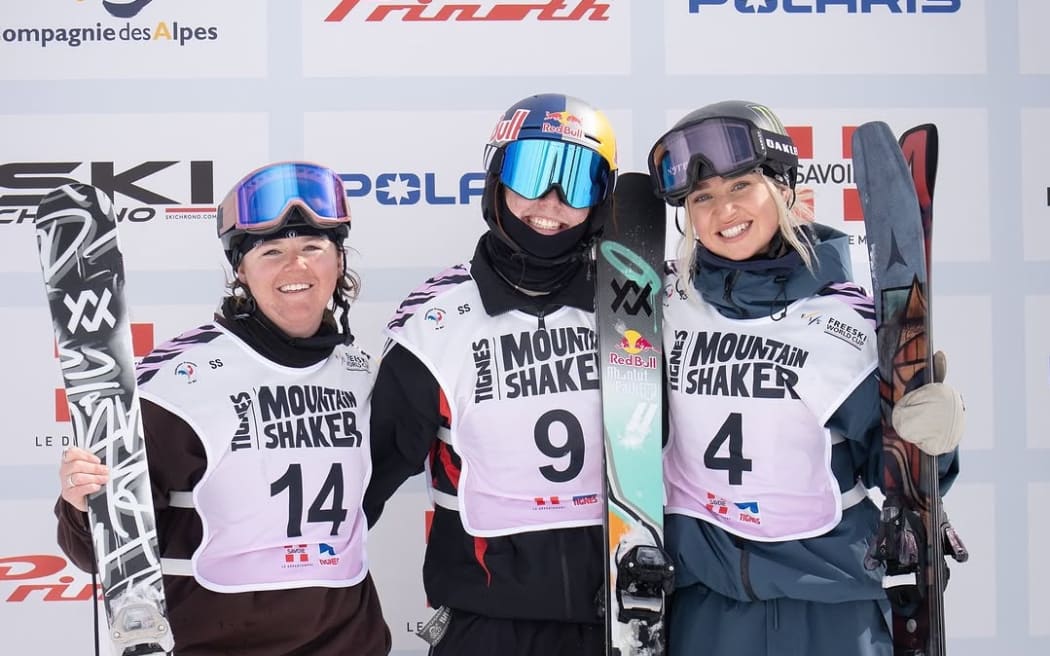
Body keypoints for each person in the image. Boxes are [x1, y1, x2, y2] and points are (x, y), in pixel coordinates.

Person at [647, 100, 965, 656]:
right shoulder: (662, 307)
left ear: (784, 189)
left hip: (833, 610)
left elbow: (903, 479)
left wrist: (933, 439)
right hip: (707, 608)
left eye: (741, 186)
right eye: (703, 198)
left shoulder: (849, 320)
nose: (724, 210)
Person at [56, 161, 391, 655]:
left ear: (338, 261)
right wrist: (81, 504)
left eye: (312, 248)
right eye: (271, 251)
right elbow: (103, 554)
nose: (294, 267)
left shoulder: (365, 376)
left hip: (347, 644)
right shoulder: (175, 386)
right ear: (241, 269)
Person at [363, 93, 617, 656]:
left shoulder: (632, 308)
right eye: (531, 176)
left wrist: (813, 251)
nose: (549, 202)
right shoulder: (436, 320)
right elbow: (362, 478)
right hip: (486, 623)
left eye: (575, 183)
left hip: (622, 620)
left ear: (599, 203)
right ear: (497, 181)